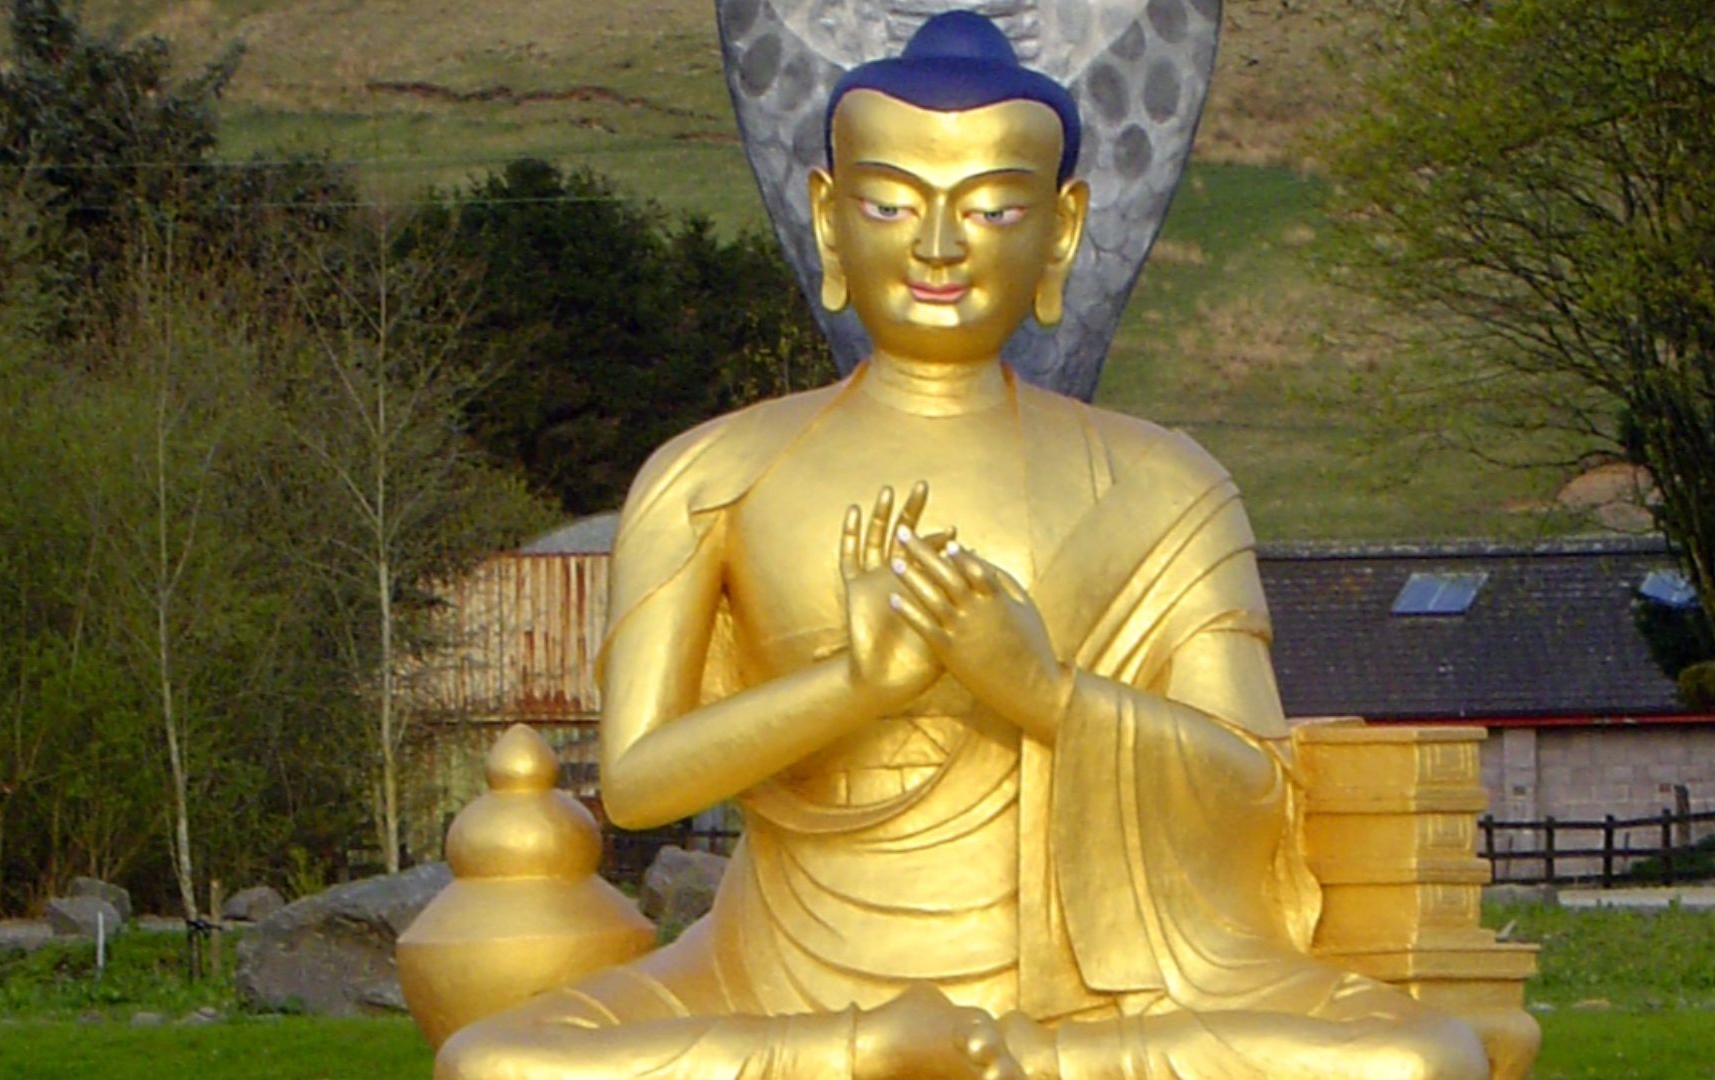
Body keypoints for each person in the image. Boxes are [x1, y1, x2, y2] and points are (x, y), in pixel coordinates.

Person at [435, 13, 1489, 1080]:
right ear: (827, 215)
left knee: (1415, 1062)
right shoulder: (711, 473)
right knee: (500, 1064)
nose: (938, 247)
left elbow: (1253, 792)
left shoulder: (1163, 481)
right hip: (771, 978)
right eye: (891, 203)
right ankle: (863, 1053)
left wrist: (1044, 693)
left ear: (1063, 229)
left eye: (991, 208)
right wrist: (855, 686)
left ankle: (998, 1056)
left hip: (1085, 994)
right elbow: (639, 783)